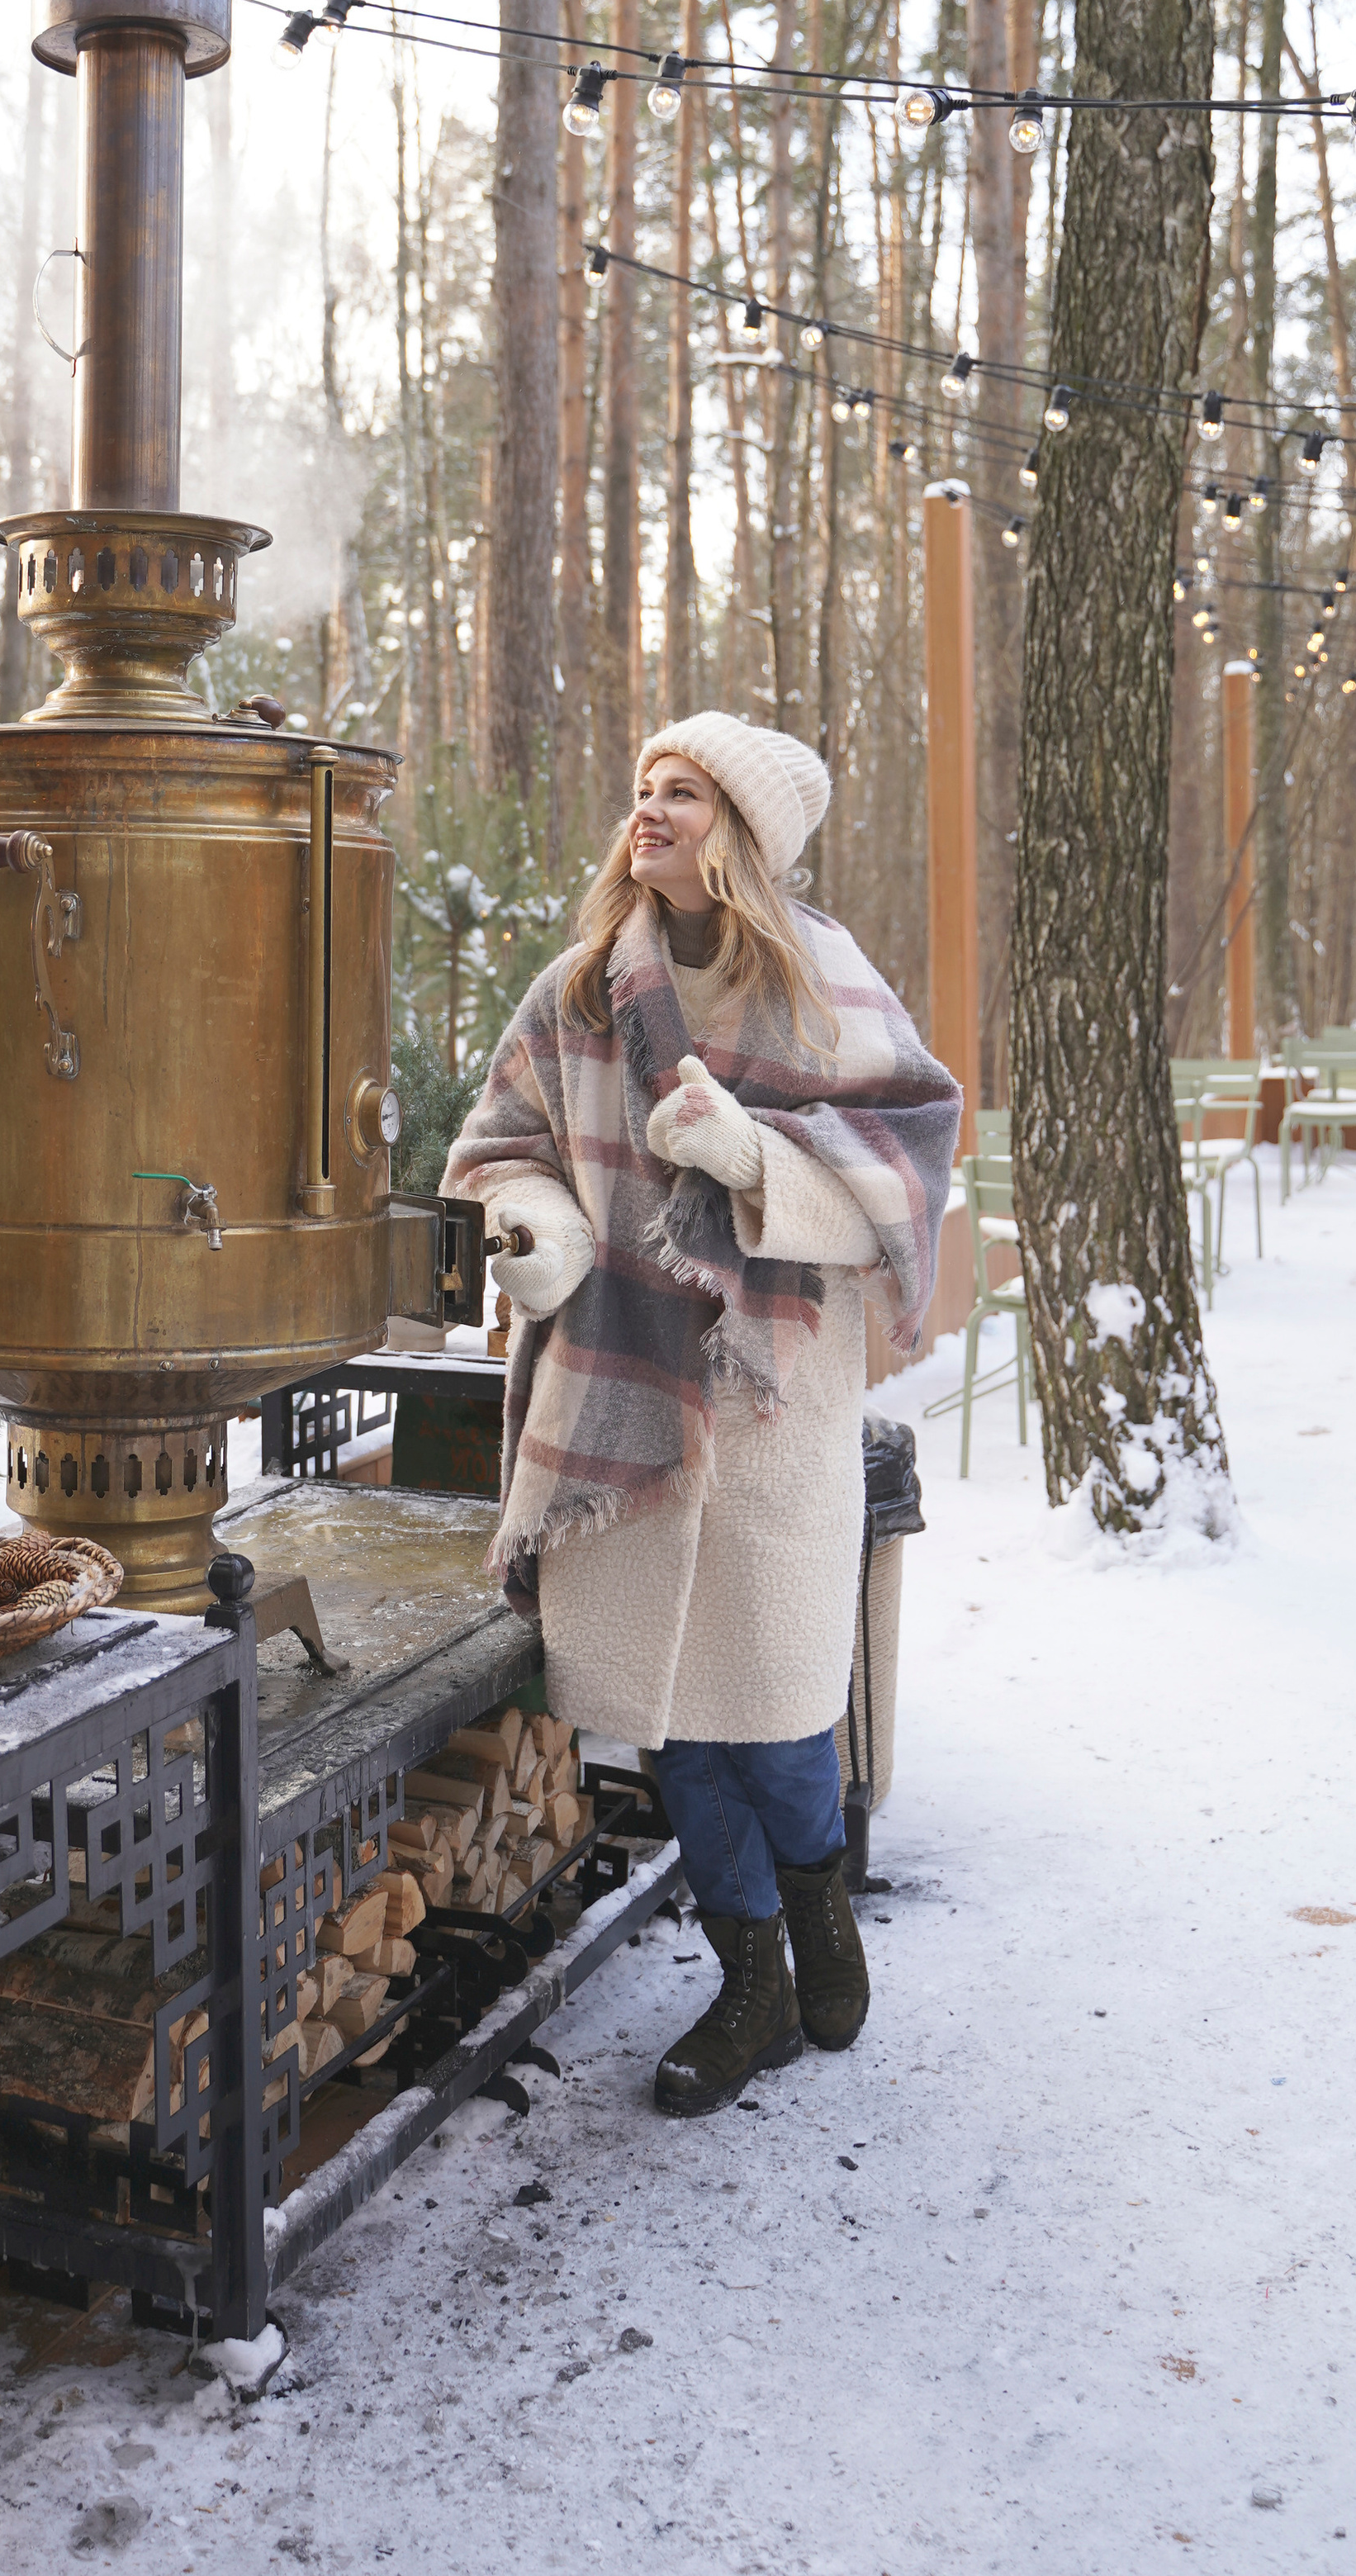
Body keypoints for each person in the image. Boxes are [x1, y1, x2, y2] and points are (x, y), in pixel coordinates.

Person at [443, 715, 961, 2116]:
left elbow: (910, 1177)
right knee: (674, 1724)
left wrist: (753, 1164)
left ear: (736, 831)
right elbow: (503, 1148)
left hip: (772, 1404)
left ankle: (819, 1919)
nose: (648, 811)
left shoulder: (822, 990)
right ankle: (749, 1988)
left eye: (679, 792)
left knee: (782, 1714)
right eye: (641, 790)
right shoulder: (581, 992)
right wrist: (541, 1228)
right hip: (617, 1397)